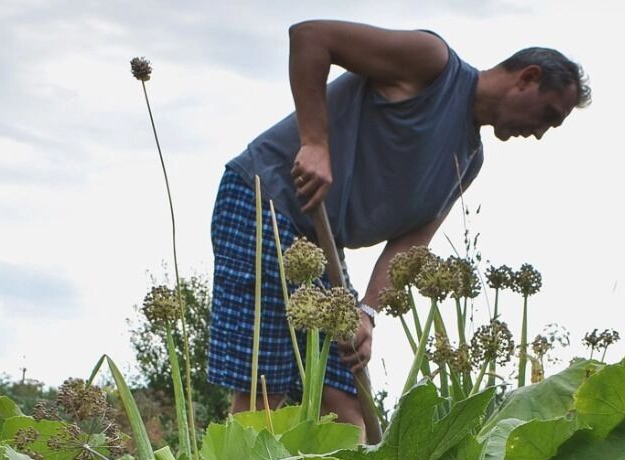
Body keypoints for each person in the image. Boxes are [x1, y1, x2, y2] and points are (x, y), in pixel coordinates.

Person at [205, 20, 588, 431]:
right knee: (267, 385)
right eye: (548, 115)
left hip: (320, 238)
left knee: (349, 397)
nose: (541, 134)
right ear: (527, 79)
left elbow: (409, 245)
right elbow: (311, 37)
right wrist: (314, 141)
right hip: (263, 196)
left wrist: (367, 311)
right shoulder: (432, 66)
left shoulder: (468, 160)